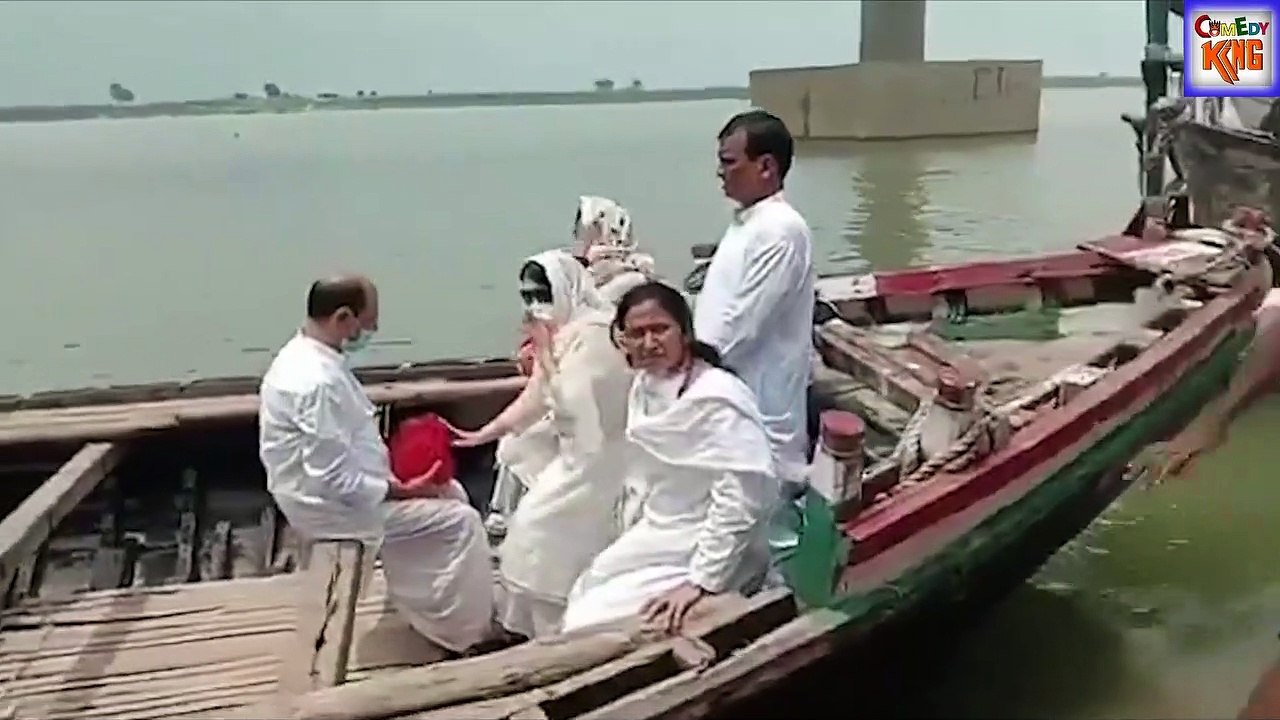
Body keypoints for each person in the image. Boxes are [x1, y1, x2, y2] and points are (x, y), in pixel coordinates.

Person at [258, 275, 494, 654]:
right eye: (367, 322)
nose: (372, 330)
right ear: (343, 317)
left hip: (344, 490)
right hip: (330, 510)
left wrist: (399, 479)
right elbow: (333, 479)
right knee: (461, 522)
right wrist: (404, 489)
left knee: (452, 493)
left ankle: (435, 611)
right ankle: (465, 636)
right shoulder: (315, 382)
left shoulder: (309, 357)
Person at [561, 281, 780, 634]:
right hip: (663, 524)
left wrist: (701, 581)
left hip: (708, 537)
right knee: (588, 588)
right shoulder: (645, 385)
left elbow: (742, 497)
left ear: (685, 332)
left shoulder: (717, 397)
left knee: (594, 620)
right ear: (623, 340)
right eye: (637, 333)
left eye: (660, 329)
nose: (649, 343)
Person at [448, 250, 634, 638]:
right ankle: (544, 632)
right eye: (528, 297)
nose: (536, 306)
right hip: (577, 453)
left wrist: (545, 352)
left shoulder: (597, 334)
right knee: (532, 530)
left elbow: (571, 403)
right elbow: (535, 398)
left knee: (543, 533)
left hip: (602, 458)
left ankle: (568, 630)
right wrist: (483, 433)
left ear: (567, 288)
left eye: (542, 295)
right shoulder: (568, 333)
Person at [483, 195, 655, 536]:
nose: (584, 238)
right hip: (570, 380)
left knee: (531, 437)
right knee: (522, 436)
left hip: (609, 391)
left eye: (590, 230)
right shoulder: (576, 274)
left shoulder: (628, 282)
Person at [693, 110, 815, 566]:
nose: (720, 172)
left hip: (761, 396)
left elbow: (742, 325)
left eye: (730, 162)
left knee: (767, 501)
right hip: (727, 388)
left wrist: (688, 367)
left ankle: (775, 596)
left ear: (766, 166)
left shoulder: (781, 231)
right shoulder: (748, 222)